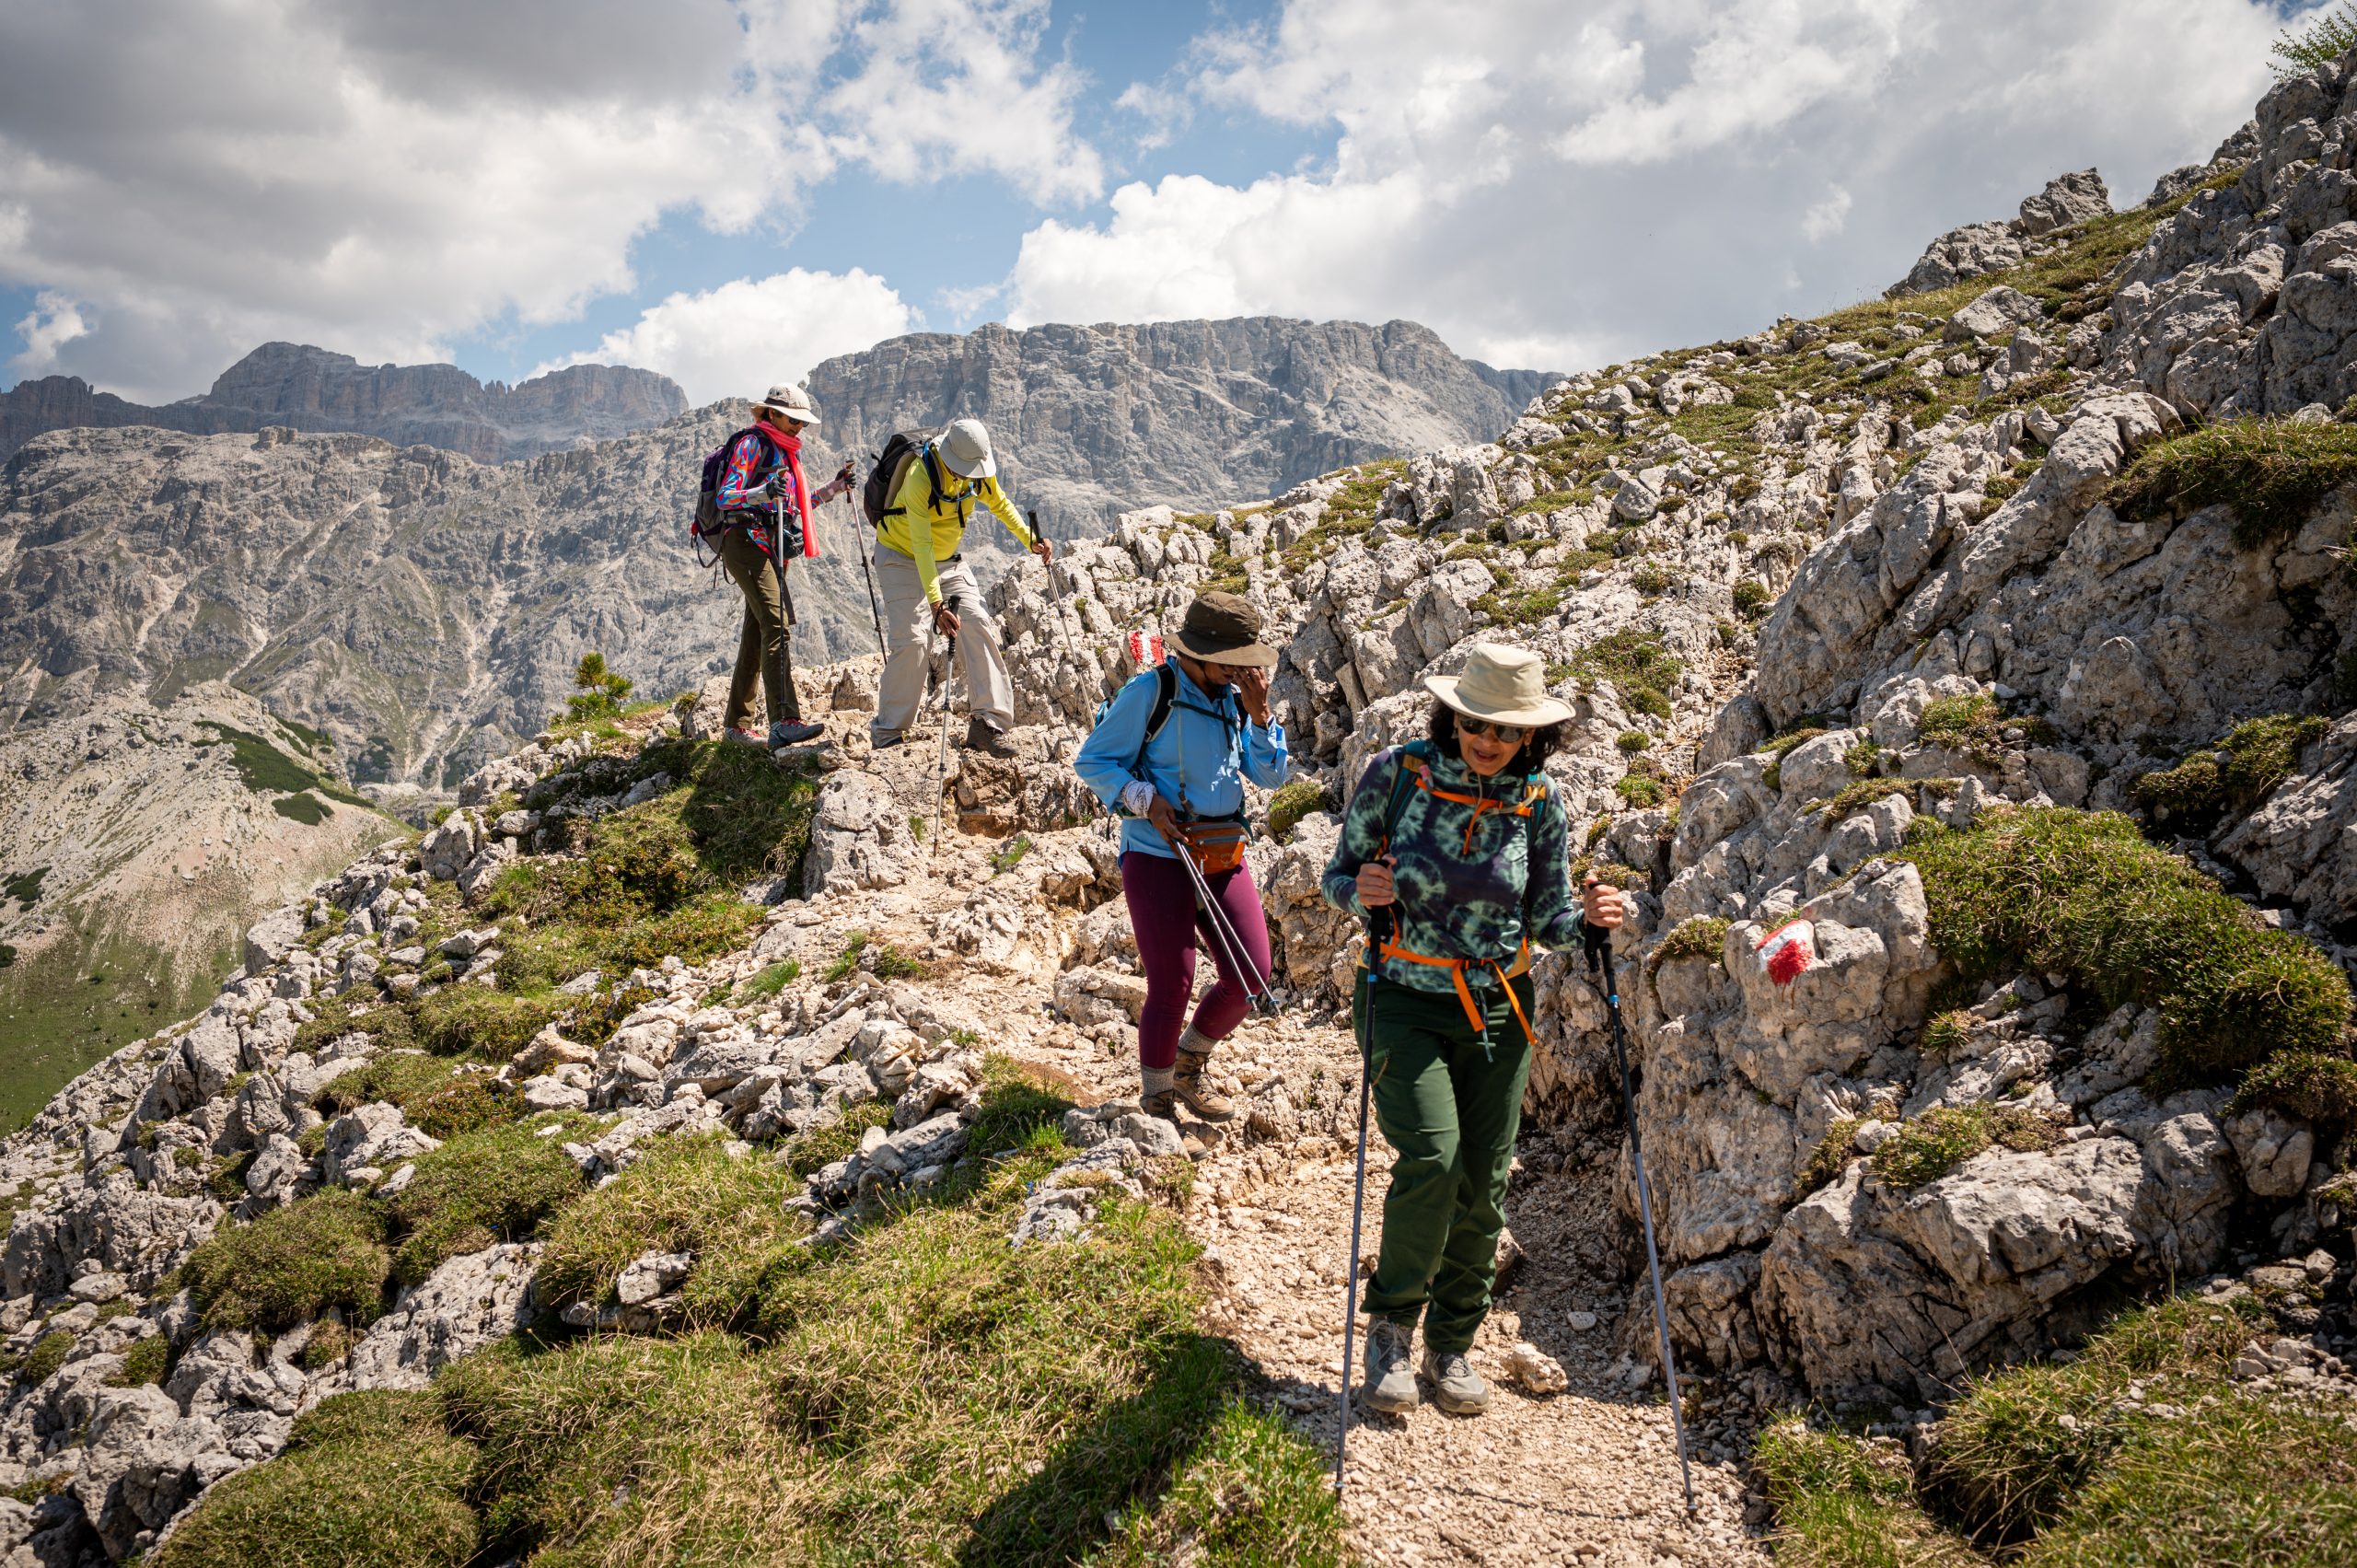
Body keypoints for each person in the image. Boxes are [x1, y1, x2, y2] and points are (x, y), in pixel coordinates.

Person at [1320, 642, 1625, 1418]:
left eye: (1505, 729)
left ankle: (1452, 1342)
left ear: (1532, 736)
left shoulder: (1540, 803)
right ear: (1452, 715)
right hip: (1400, 992)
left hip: (1500, 1010)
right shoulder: (1397, 773)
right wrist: (1365, 890)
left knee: (1485, 1180)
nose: (1486, 739)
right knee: (1434, 1153)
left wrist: (1589, 919)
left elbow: (1550, 918)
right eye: (1473, 721)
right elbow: (1337, 876)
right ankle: (1389, 1327)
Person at [1075, 590, 1290, 1125]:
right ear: (1199, 654)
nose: (1242, 672)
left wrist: (1261, 716)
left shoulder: (1232, 700)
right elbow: (1094, 761)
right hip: (1157, 854)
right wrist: (1146, 802)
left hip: (1221, 853)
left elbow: (1269, 776)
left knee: (1252, 975)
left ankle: (1189, 1065)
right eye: (1232, 663)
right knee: (1172, 980)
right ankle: (1158, 1102)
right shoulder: (1152, 691)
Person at [869, 417, 1050, 759]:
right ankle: (888, 732)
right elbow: (921, 545)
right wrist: (937, 607)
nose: (972, 476)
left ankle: (987, 724)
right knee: (914, 640)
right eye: (965, 470)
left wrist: (1031, 540)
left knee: (978, 622)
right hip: (901, 558)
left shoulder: (977, 473)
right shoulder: (919, 476)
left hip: (948, 560)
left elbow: (1000, 504)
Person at [713, 382, 853, 749]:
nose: (798, 427)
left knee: (758, 632)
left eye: (802, 422)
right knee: (776, 624)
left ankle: (737, 726)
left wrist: (834, 488)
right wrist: (762, 493)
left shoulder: (786, 453)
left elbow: (795, 504)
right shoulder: (752, 444)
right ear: (771, 414)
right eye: (792, 420)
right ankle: (784, 721)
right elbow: (728, 494)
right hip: (745, 543)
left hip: (770, 549)